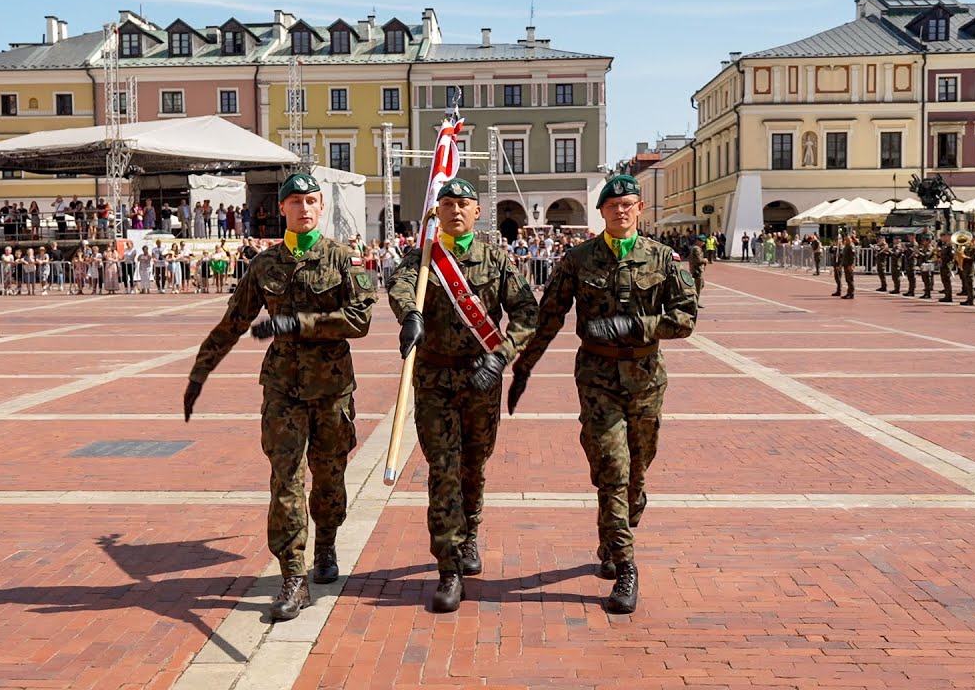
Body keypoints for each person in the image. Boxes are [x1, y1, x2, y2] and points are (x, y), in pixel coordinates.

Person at [183, 172, 377, 621]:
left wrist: (297, 324)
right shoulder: (264, 265)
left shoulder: (343, 260)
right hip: (283, 391)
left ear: (321, 208)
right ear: (282, 209)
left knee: (329, 478)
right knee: (285, 481)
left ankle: (326, 542)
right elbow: (233, 322)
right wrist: (200, 372)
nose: (304, 208)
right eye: (296, 201)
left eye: (312, 201)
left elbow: (359, 321)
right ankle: (294, 573)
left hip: (332, 391)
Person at [508, 174, 698, 615]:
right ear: (602, 212)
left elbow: (686, 319)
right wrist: (524, 366)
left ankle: (614, 532)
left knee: (637, 471)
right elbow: (549, 315)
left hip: (647, 376)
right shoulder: (578, 260)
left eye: (628, 205)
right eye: (613, 206)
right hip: (597, 376)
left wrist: (638, 326)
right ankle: (626, 566)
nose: (621, 211)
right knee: (613, 466)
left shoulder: (663, 259)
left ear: (640, 208)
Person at [388, 178, 537, 613]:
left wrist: (503, 356)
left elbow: (528, 312)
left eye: (463, 204)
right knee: (443, 469)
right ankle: (448, 568)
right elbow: (399, 289)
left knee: (474, 464)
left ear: (477, 211)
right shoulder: (422, 260)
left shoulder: (496, 259)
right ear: (437, 212)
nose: (455, 210)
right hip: (434, 380)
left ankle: (470, 531)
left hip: (481, 380)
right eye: (447, 203)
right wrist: (410, 315)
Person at [688, 235, 708, 307]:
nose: (703, 243)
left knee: (701, 285)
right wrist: (705, 260)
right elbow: (698, 260)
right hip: (697, 270)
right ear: (698, 241)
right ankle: (695, 302)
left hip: (697, 270)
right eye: (702, 241)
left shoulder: (697, 248)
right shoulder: (697, 249)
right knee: (698, 287)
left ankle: (694, 300)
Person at [839, 233, 856, 299]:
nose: (846, 239)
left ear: (850, 238)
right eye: (845, 238)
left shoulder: (851, 246)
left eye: (847, 238)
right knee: (848, 279)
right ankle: (849, 293)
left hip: (849, 264)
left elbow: (853, 257)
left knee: (850, 279)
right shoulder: (847, 245)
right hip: (846, 264)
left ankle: (851, 293)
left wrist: (851, 265)